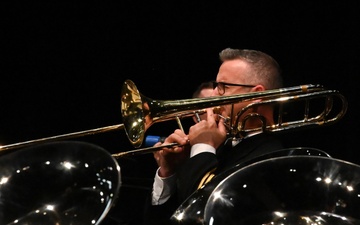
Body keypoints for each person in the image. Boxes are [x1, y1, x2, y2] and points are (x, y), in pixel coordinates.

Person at [143, 48, 284, 224]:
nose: (214, 95)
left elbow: (200, 215)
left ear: (256, 95)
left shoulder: (274, 158)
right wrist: (168, 172)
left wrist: (202, 147)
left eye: (223, 87)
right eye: (217, 86)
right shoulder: (217, 148)